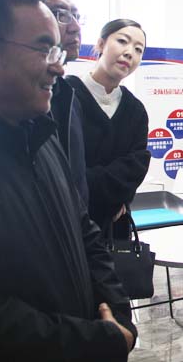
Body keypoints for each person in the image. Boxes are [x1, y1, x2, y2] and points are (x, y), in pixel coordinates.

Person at [0, 0, 135, 360]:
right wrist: (99, 341)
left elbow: (84, 230)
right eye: (44, 49)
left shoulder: (40, 133)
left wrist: (118, 313)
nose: (58, 67)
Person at [67, 18, 151, 238]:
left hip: (114, 228)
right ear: (101, 44)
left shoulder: (135, 110)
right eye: (122, 41)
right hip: (67, 220)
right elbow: (61, 166)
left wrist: (116, 194)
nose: (129, 53)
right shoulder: (65, 95)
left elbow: (136, 165)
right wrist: (113, 195)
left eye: (138, 49)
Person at [24, 0, 89, 204]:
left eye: (76, 16)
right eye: (60, 14)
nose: (75, 27)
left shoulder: (69, 96)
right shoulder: (13, 104)